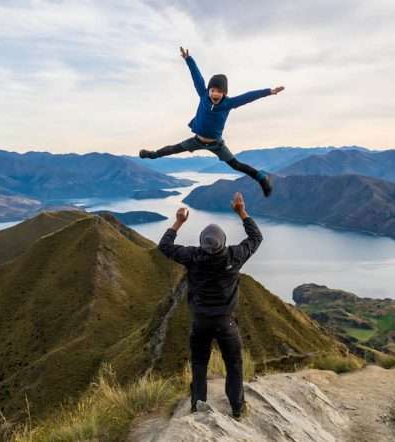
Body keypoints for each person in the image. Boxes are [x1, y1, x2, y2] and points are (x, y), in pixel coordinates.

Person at [157, 192, 263, 419]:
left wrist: (178, 221)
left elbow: (164, 246)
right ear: (223, 242)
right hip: (226, 323)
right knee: (234, 364)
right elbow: (256, 237)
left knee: (199, 363)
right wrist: (241, 211)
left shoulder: (192, 256)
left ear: (201, 243)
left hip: (201, 322)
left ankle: (198, 406)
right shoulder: (234, 256)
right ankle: (237, 407)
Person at [140, 46, 285, 197]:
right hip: (197, 140)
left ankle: (262, 178)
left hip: (216, 144)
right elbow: (197, 77)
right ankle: (152, 154)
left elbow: (248, 97)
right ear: (208, 90)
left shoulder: (228, 103)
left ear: (224, 92)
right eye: (213, 90)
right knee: (173, 148)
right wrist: (189, 59)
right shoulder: (203, 95)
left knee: (236, 165)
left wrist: (269, 91)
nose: (215, 93)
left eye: (219, 91)